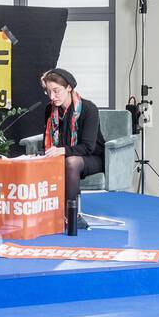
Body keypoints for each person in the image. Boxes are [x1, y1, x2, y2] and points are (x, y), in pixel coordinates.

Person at [40, 68, 106, 225]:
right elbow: (47, 139)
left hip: (92, 158)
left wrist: (61, 151)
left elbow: (88, 147)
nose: (52, 97)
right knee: (44, 161)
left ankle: (70, 217)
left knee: (71, 162)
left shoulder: (89, 109)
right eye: (48, 92)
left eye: (56, 91)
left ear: (69, 87)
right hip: (63, 156)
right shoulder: (50, 109)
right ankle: (46, 214)